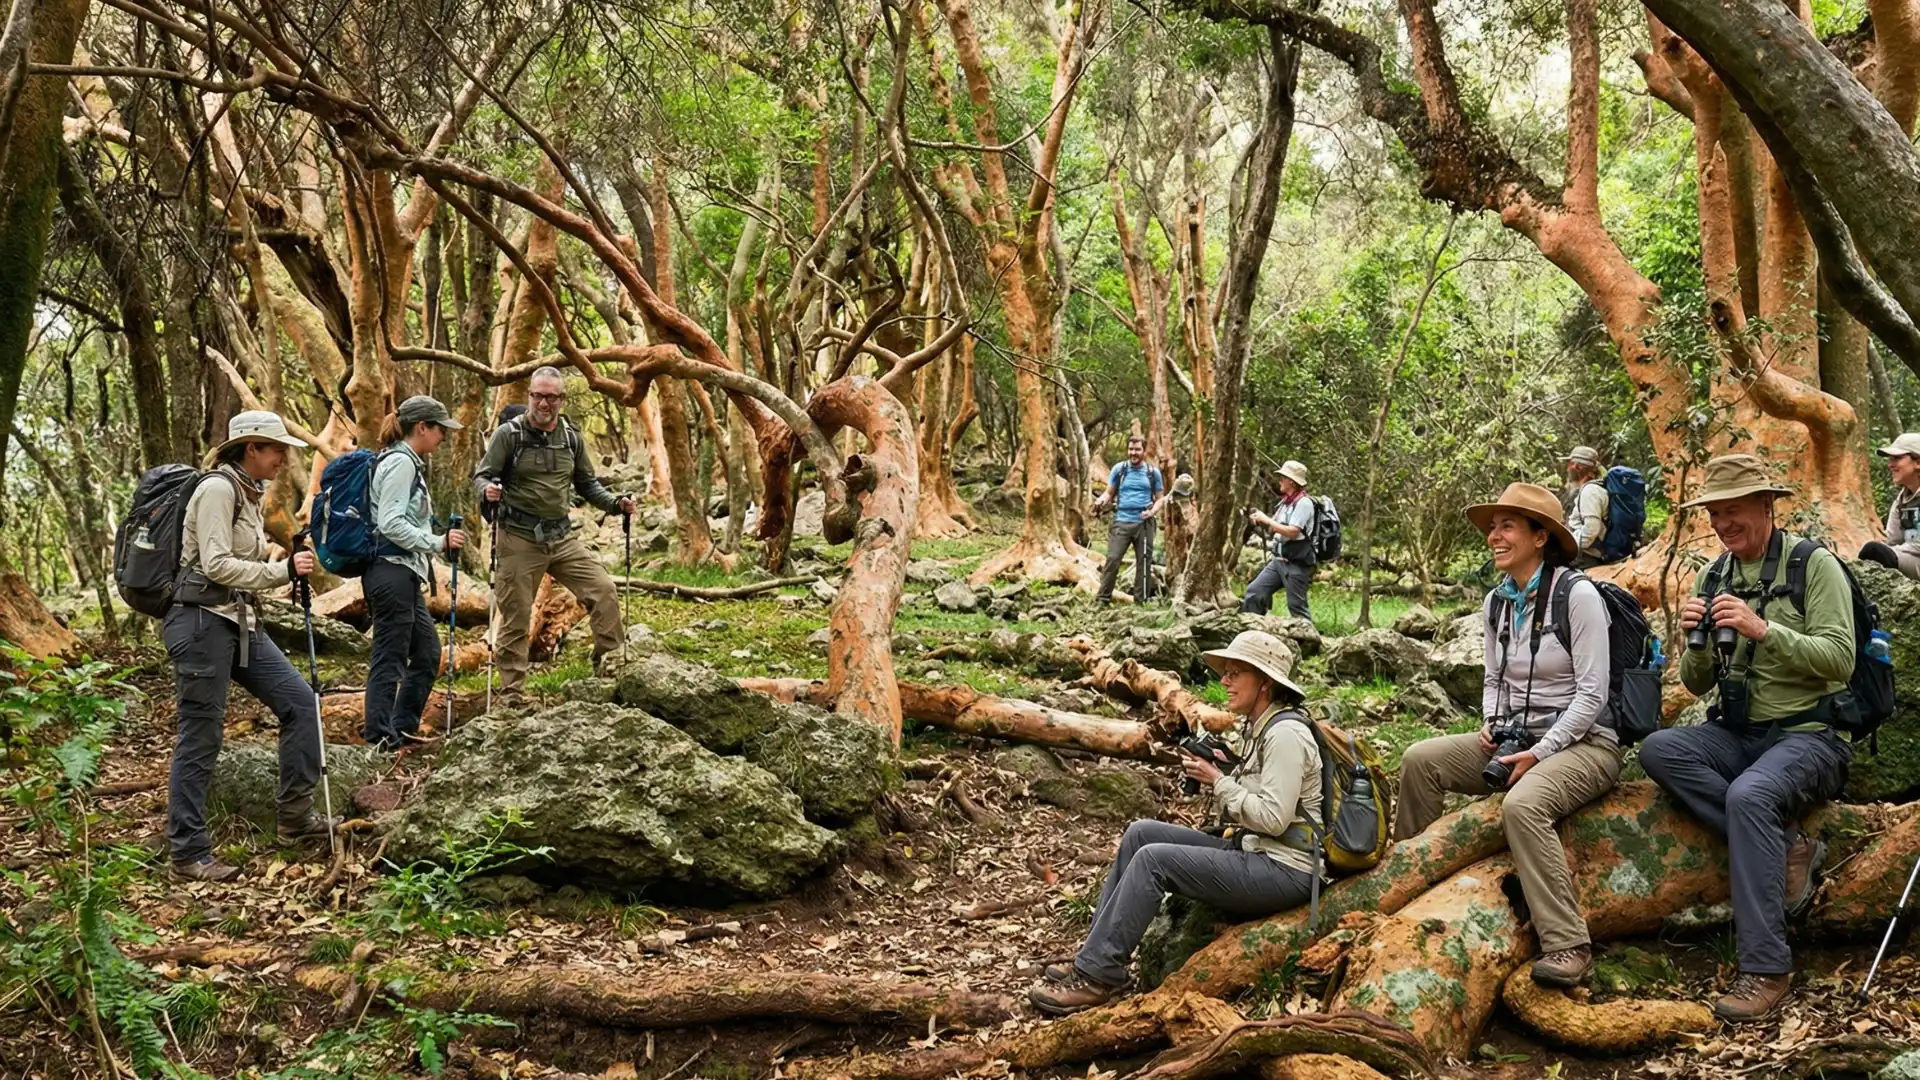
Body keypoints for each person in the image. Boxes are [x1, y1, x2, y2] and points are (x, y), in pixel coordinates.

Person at [1640, 454, 1854, 1023]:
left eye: (1733, 511)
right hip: (1735, 733)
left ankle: (1767, 967)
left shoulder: (1814, 566)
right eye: (1714, 514)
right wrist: (1697, 642)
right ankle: (1789, 850)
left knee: (1749, 796)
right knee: (1658, 749)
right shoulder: (1715, 575)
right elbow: (1694, 683)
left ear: (1766, 505)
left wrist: (1764, 629)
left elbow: (1839, 663)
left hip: (1810, 735)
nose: (1722, 524)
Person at [1393, 482, 1620, 987]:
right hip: (1519, 739)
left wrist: (1539, 753)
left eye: (1507, 526)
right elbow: (1495, 679)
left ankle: (1568, 944)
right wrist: (1494, 725)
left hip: (1585, 743)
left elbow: (1592, 695)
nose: (1494, 535)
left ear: (1541, 537)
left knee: (1522, 806)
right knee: (1419, 760)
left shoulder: (1576, 595)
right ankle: (1407, 883)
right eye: (1492, 527)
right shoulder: (1498, 601)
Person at [1028, 631, 1320, 1016]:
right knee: (1140, 833)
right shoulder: (1260, 726)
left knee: (1154, 860)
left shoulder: (1285, 734)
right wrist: (1222, 768)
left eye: (1235, 673)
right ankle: (1096, 955)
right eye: (1226, 672)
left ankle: (1097, 979)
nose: (1224, 681)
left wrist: (1218, 781)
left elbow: (1272, 818)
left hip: (1285, 869)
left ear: (1265, 683)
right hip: (1255, 849)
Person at [165, 411, 335, 882]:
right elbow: (217, 563)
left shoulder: (249, 492)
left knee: (302, 704)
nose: (282, 457)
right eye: (275, 448)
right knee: (201, 736)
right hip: (201, 622)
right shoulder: (218, 489)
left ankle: (295, 819)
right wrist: (281, 573)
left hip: (236, 619)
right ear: (250, 449)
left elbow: (239, 562)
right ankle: (188, 851)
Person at [473, 368, 634, 700]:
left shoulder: (571, 438)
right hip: (518, 537)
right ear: (529, 395)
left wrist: (616, 504)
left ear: (561, 399)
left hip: (561, 537)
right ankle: (512, 693)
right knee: (516, 616)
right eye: (536, 395)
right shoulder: (509, 434)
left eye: (549, 397)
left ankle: (609, 669)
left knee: (603, 590)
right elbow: (481, 476)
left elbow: (587, 484)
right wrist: (488, 489)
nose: (542, 403)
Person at [363, 396, 468, 750]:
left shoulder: (409, 463)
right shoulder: (400, 464)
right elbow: (390, 522)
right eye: (440, 429)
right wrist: (436, 542)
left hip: (404, 574)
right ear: (421, 427)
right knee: (389, 656)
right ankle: (378, 737)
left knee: (426, 653)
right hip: (390, 573)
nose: (443, 437)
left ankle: (401, 727)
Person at [1092, 434, 1166, 605]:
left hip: (1144, 523)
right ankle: (1103, 599)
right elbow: (1109, 493)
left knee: (1144, 563)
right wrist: (1101, 500)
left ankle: (1141, 602)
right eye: (1131, 449)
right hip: (1122, 520)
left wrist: (1152, 512)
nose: (1133, 453)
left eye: (1137, 449)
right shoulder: (1120, 469)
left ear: (1143, 450)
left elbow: (1160, 498)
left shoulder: (1152, 473)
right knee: (1112, 559)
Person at [1241, 460, 1317, 621]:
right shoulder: (1285, 503)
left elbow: (1292, 532)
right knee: (1254, 593)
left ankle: (1311, 642)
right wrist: (1259, 518)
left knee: (1297, 606)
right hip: (1278, 561)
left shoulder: (1304, 503)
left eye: (1282, 477)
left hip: (1297, 563)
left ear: (1292, 481)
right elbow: (1275, 525)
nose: (1280, 480)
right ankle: (1252, 633)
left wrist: (1266, 520)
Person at [1860, 432, 1920, 578]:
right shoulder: (1901, 500)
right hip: (1911, 558)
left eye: (1897, 458)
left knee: (1876, 551)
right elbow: (1892, 539)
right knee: (1873, 551)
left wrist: (1889, 553)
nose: (1890, 464)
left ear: (1918, 462)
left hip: (1915, 557)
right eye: (1890, 459)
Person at [1563, 446, 1610, 570]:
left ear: (1578, 467)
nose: (1568, 468)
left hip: (1586, 558)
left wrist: (1567, 546)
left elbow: (1591, 531)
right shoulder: (1590, 489)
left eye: (1571, 463)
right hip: (1584, 554)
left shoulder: (1590, 492)